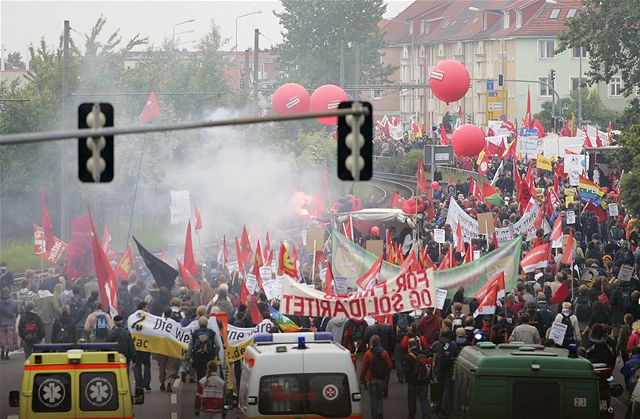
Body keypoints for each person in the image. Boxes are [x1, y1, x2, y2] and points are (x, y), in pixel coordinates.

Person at [359, 334, 392, 419]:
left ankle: (374, 416)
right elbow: (389, 366)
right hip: (381, 380)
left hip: (370, 379)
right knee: (379, 398)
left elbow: (363, 369)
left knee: (373, 399)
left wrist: (362, 380)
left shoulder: (368, 354)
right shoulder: (384, 353)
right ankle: (380, 413)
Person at [431, 327, 459, 417]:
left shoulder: (437, 344)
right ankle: (444, 408)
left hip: (439, 369)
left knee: (438, 388)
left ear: (441, 334)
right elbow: (456, 355)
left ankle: (437, 405)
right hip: (449, 369)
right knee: (447, 389)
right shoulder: (453, 344)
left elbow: (430, 351)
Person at [403, 337, 431, 419]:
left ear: (409, 346)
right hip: (424, 381)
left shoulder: (408, 357)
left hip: (413, 383)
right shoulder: (424, 355)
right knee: (424, 399)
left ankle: (412, 415)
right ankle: (425, 415)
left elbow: (407, 371)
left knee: (412, 401)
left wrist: (408, 380)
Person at [133, 301, 152, 391]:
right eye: (147, 306)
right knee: (147, 365)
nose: (148, 308)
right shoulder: (148, 317)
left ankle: (139, 385)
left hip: (136, 344)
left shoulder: (133, 317)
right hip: (145, 344)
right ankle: (146, 384)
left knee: (137, 365)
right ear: (144, 307)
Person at [0, 287, 19, 359]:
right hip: (10, 323)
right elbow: (17, 313)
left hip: (1, 323)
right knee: (9, 339)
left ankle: (2, 352)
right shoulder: (14, 302)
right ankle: (7, 354)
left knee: (2, 338)